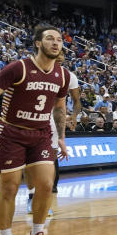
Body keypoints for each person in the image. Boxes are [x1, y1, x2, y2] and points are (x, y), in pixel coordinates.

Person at [0, 24, 70, 235]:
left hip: (41, 134)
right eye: (50, 39)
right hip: (12, 132)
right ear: (38, 43)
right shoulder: (17, 68)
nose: (56, 43)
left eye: (59, 40)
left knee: (45, 185)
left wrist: (60, 138)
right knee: (9, 187)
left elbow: (59, 109)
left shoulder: (63, 74)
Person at [27, 52, 81, 216]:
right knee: (29, 163)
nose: (59, 57)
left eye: (61, 55)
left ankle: (42, 199)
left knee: (49, 160)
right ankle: (31, 196)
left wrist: (74, 116)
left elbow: (76, 100)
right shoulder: (31, 70)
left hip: (52, 119)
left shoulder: (68, 76)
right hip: (30, 117)